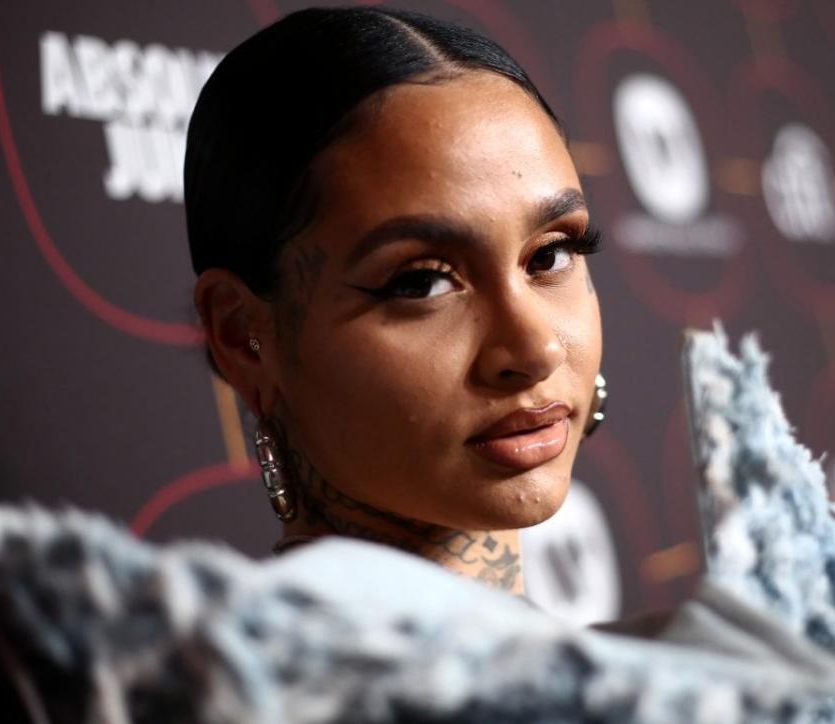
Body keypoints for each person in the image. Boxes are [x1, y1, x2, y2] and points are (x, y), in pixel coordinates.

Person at [186, 6, 606, 597]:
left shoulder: (657, 672)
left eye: (550, 256)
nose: (534, 348)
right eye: (422, 282)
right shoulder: (242, 688)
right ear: (242, 337)